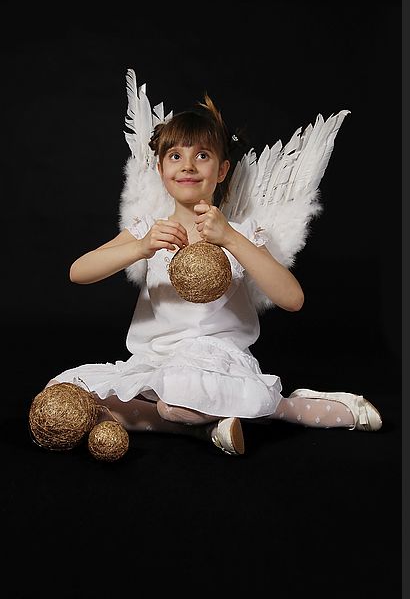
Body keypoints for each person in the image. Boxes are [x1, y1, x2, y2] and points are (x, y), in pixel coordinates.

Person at [45, 93, 382, 456]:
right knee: (74, 398)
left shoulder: (242, 231)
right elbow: (78, 272)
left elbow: (292, 298)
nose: (187, 166)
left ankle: (280, 407)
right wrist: (140, 247)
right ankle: (207, 429)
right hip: (155, 360)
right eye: (175, 156)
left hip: (216, 358)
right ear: (161, 170)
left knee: (178, 401)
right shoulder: (147, 229)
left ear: (221, 170)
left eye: (201, 156)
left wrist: (232, 239)